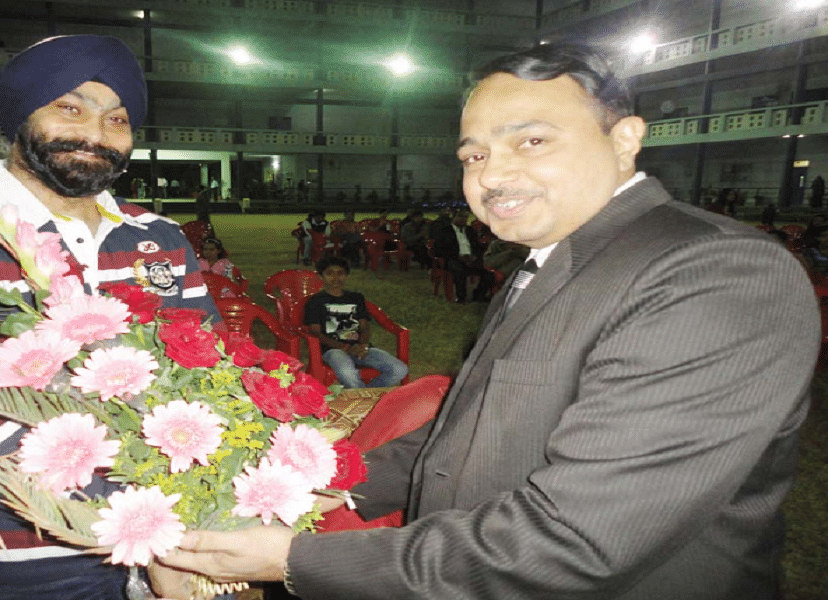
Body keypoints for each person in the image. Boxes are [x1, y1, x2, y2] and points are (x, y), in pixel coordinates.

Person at [151, 42, 820, 600]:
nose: (493, 175)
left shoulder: (711, 272)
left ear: (625, 140)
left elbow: (580, 539)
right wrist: (337, 484)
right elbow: (467, 432)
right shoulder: (553, 258)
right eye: (473, 155)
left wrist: (296, 561)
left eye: (531, 140)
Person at [0, 34, 220, 600]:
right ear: (19, 116)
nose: (96, 135)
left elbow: (211, 370)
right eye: (70, 108)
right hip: (22, 551)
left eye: (118, 119)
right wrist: (146, 517)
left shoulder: (158, 235)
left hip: (175, 534)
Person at [302, 256, 407, 389]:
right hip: (333, 350)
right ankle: (362, 397)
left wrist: (363, 345)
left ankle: (365, 394)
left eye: (340, 273)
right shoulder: (315, 301)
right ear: (321, 276)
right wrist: (345, 347)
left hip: (359, 348)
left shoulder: (356, 298)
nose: (336, 278)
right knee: (347, 373)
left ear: (347, 276)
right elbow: (316, 332)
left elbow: (364, 327)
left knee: (400, 369)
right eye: (330, 273)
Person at [432, 207, 495, 302]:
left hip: (471, 258)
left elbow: (477, 247)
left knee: (488, 273)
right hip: (454, 258)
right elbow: (438, 249)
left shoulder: (470, 230)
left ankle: (479, 295)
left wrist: (475, 256)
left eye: (465, 217)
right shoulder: (445, 231)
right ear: (453, 217)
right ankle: (461, 297)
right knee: (459, 270)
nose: (463, 219)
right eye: (460, 216)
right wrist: (457, 256)